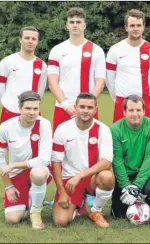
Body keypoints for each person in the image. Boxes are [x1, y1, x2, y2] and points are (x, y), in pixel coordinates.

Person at [51, 92, 115, 228]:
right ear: (75, 107)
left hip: (92, 179)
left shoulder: (103, 129)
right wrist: (62, 192)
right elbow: (56, 162)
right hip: (70, 180)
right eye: (82, 107)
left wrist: (80, 176)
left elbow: (106, 162)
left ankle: (96, 211)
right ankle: (78, 206)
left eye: (90, 107)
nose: (86, 111)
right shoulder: (62, 129)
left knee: (107, 177)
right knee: (61, 222)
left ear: (95, 110)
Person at [0, 91, 52, 229]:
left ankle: (35, 211)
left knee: (38, 174)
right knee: (12, 219)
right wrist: (8, 186)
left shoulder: (44, 124)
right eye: (28, 108)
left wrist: (13, 165)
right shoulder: (6, 127)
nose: (32, 112)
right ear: (20, 108)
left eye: (35, 108)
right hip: (17, 174)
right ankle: (32, 198)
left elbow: (44, 159)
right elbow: (0, 158)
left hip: (40, 171)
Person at [110, 95, 150, 222]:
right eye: (131, 110)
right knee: (118, 215)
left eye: (138, 110)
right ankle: (132, 197)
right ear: (124, 112)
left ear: (144, 111)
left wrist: (136, 186)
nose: (135, 114)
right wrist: (126, 186)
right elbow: (117, 160)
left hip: (146, 172)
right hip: (125, 174)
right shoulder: (115, 129)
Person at [47, 7, 106, 132]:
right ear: (66, 25)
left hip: (88, 109)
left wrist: (88, 105)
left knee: (90, 147)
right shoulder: (57, 50)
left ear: (85, 25)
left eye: (78, 22)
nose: (75, 25)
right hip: (63, 108)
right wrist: (65, 105)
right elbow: (52, 83)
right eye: (71, 22)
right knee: (60, 148)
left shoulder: (96, 50)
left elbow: (100, 83)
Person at [106, 9, 150, 123]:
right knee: (120, 139)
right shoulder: (115, 49)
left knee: (149, 138)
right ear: (126, 27)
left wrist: (149, 92)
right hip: (122, 101)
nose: (135, 28)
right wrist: (117, 98)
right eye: (132, 25)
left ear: (143, 26)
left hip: (146, 101)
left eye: (138, 25)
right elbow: (109, 78)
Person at [0, 26, 47, 124]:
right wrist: (8, 106)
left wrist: (31, 107)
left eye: (33, 39)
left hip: (33, 114)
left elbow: (40, 91)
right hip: (10, 113)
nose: (30, 41)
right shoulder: (7, 61)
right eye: (27, 38)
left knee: (33, 139)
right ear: (20, 40)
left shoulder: (42, 65)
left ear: (37, 42)